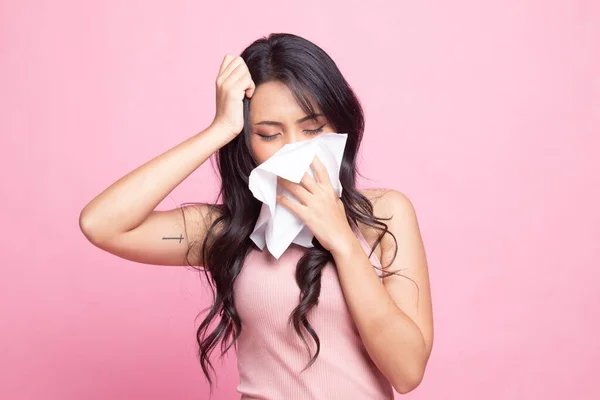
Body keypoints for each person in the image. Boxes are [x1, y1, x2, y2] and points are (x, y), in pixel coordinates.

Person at [79, 32, 434, 399]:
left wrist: (342, 240)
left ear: (340, 126)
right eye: (269, 135)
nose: (295, 149)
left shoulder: (384, 217)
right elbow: (101, 224)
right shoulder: (227, 232)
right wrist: (219, 129)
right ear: (247, 143)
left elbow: (406, 372)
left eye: (312, 129)